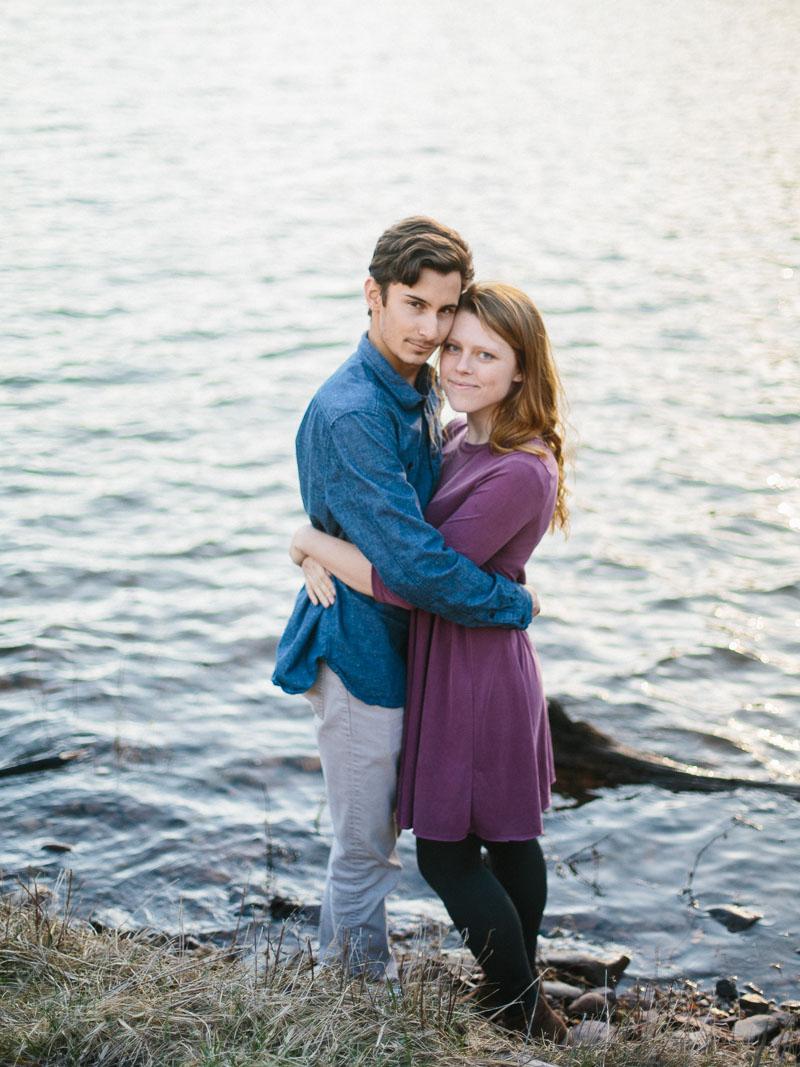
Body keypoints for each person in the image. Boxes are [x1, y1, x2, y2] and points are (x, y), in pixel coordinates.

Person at [290, 282, 570, 1040]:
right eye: (456, 348)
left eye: (487, 355)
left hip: (476, 675)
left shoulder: (518, 468)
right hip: (456, 660)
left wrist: (313, 542)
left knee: (451, 855)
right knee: (509, 838)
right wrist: (309, 540)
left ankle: (519, 1002)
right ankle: (522, 994)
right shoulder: (455, 437)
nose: (462, 366)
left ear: (522, 371)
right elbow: (398, 542)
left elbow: (416, 579)